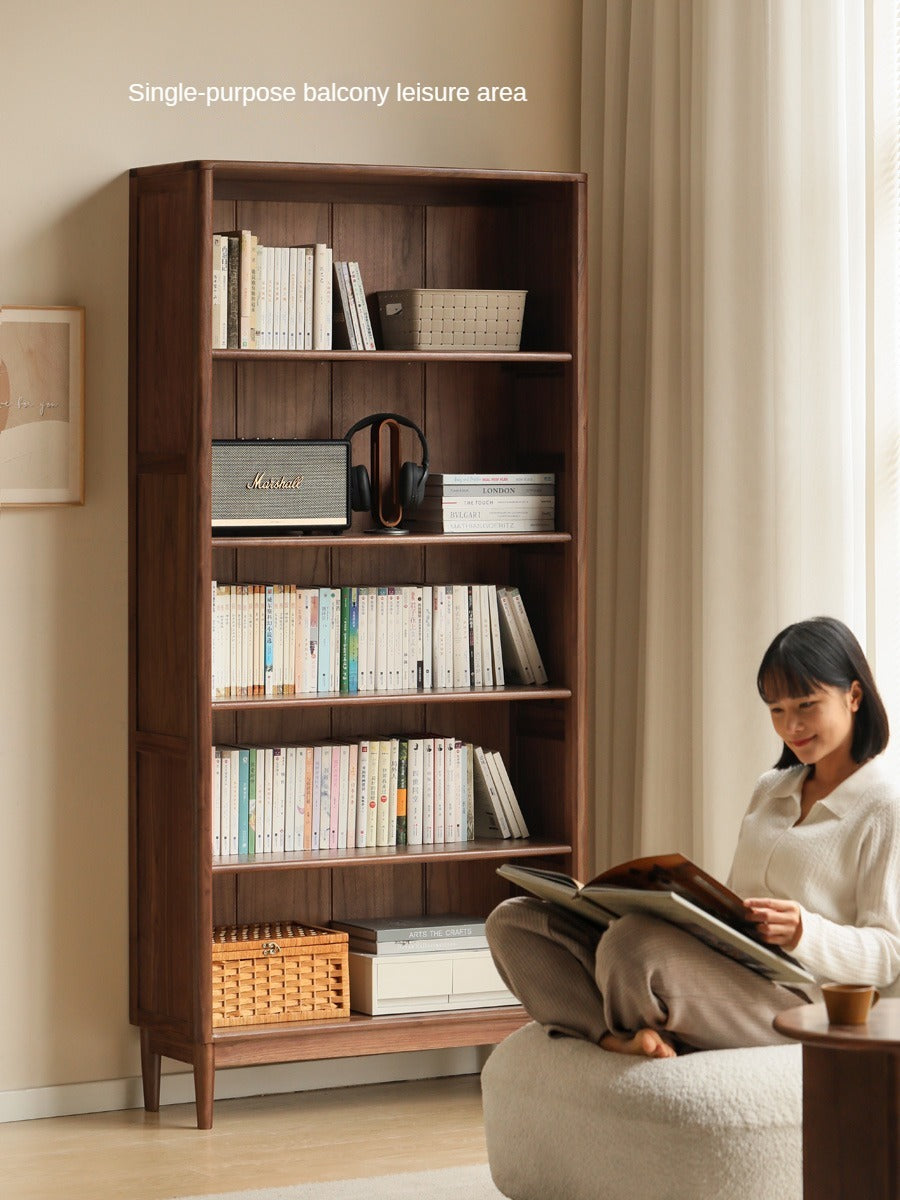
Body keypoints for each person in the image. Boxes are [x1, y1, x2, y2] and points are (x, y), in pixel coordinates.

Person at [486, 616, 900, 1058]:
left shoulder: (882, 806)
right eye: (777, 710)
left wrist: (804, 931)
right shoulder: (771, 789)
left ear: (853, 696)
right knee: (514, 920)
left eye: (806, 705)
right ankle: (616, 1038)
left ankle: (632, 1029)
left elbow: (888, 953)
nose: (790, 726)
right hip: (725, 967)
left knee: (631, 948)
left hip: (799, 1000)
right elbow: (737, 902)